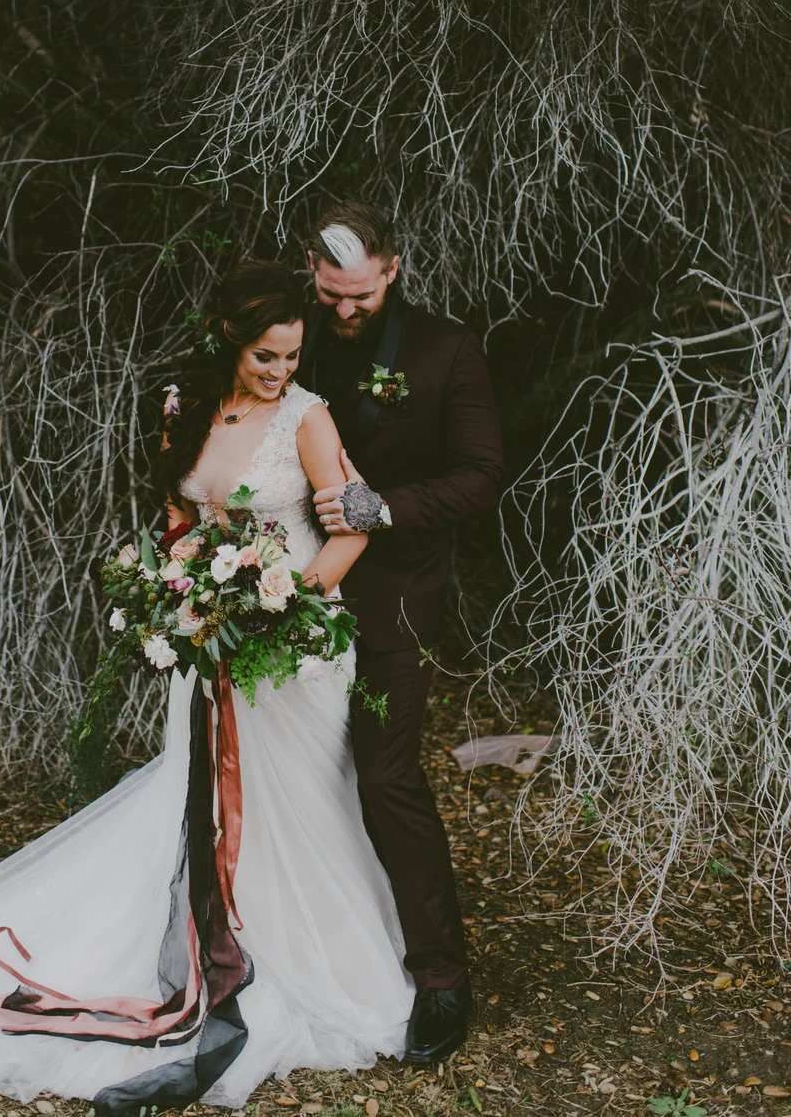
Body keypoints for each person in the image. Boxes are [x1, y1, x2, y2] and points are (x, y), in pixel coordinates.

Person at [0, 259, 416, 1116]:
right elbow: (179, 521)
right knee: (195, 797)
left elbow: (351, 531)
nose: (280, 371)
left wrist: (292, 606)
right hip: (210, 635)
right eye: (265, 356)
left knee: (295, 806)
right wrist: (179, 595)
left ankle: (303, 958)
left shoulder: (309, 418)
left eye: (292, 356)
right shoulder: (184, 408)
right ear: (227, 339)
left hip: (292, 649)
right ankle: (188, 939)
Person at [298, 201, 503, 1065]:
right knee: (289, 772)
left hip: (395, 594)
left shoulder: (444, 349)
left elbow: (482, 474)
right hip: (289, 589)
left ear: (392, 270)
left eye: (362, 295)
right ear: (312, 272)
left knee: (386, 776)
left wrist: (383, 508)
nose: (345, 310)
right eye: (331, 293)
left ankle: (442, 978)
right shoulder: (288, 333)